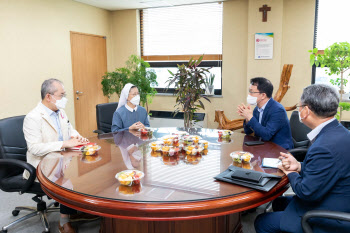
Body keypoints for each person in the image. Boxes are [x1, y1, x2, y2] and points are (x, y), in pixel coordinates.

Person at [254, 84, 350, 233]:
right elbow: (327, 169)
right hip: (336, 196)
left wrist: (289, 172)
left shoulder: (324, 146)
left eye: (299, 106)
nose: (298, 110)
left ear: (306, 111)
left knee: (262, 221)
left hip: (328, 215)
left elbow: (305, 192)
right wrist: (299, 166)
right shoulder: (340, 131)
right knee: (279, 202)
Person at [23, 79, 98, 233]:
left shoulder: (60, 111)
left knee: (87, 170)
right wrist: (64, 144)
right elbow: (34, 148)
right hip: (41, 165)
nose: (65, 99)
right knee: (67, 182)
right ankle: (64, 222)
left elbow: (70, 129)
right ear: (48, 97)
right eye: (61, 95)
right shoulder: (33, 118)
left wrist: (78, 138)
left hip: (62, 158)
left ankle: (76, 212)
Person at [237, 77, 293, 150]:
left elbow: (266, 135)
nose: (249, 94)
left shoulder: (278, 110)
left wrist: (250, 117)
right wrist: (247, 119)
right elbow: (248, 131)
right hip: (263, 147)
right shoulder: (257, 109)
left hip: (279, 151)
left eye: (251, 92)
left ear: (263, 95)